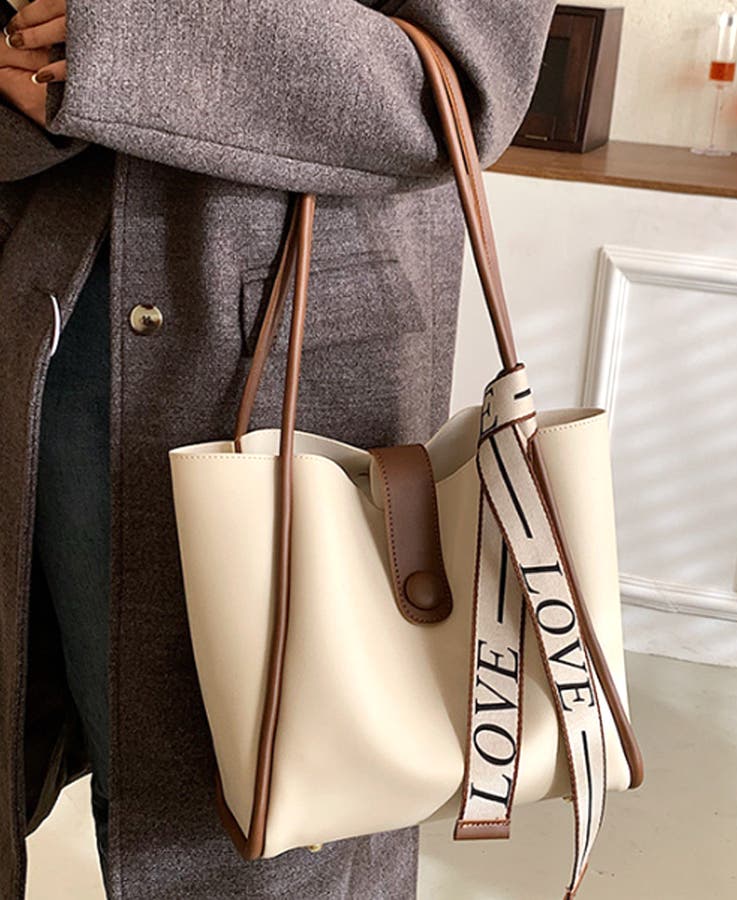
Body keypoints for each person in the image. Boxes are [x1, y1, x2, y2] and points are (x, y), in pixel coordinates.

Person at [0, 0, 556, 897]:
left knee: (264, 829)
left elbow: (459, 84)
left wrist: (125, 43)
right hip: (41, 313)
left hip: (284, 347)